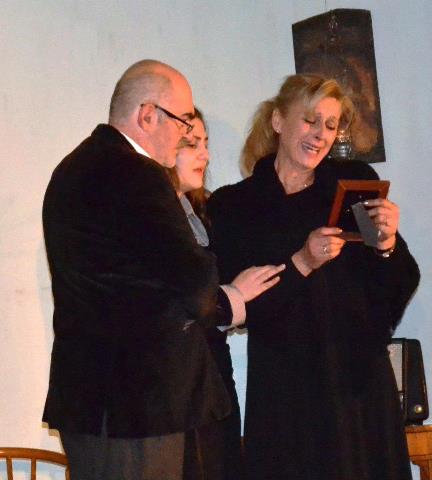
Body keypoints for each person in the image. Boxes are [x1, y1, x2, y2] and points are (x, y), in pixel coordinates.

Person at [42, 59, 279, 480]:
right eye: (183, 120)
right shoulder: (138, 173)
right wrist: (230, 297)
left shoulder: (72, 167)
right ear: (147, 115)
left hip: (92, 400)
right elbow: (196, 284)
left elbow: (133, 283)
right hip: (137, 405)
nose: (186, 133)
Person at [207, 74, 420, 480]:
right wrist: (302, 261)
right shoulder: (235, 205)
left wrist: (388, 245)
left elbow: (396, 285)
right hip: (287, 394)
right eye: (310, 120)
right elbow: (237, 305)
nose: (321, 134)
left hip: (358, 388)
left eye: (331, 124)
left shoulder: (353, 184)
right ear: (277, 121)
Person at [169, 108, 278, 480]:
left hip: (215, 374)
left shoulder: (207, 212)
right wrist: (231, 296)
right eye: (191, 144)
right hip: (177, 384)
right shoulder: (156, 218)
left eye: (206, 143)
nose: (205, 154)